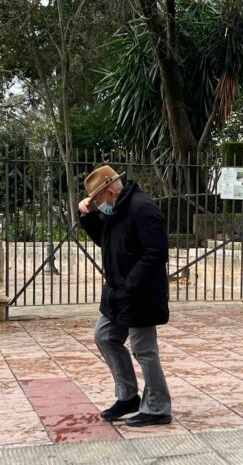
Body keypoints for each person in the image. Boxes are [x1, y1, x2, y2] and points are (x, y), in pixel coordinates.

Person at [78, 165, 172, 427]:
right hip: (118, 293)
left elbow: (156, 252)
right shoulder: (117, 209)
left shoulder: (143, 209)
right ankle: (128, 396)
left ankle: (157, 407)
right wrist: (86, 217)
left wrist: (130, 285)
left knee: (144, 349)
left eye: (98, 201)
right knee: (105, 336)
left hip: (139, 293)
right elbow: (106, 240)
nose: (99, 206)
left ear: (109, 192)